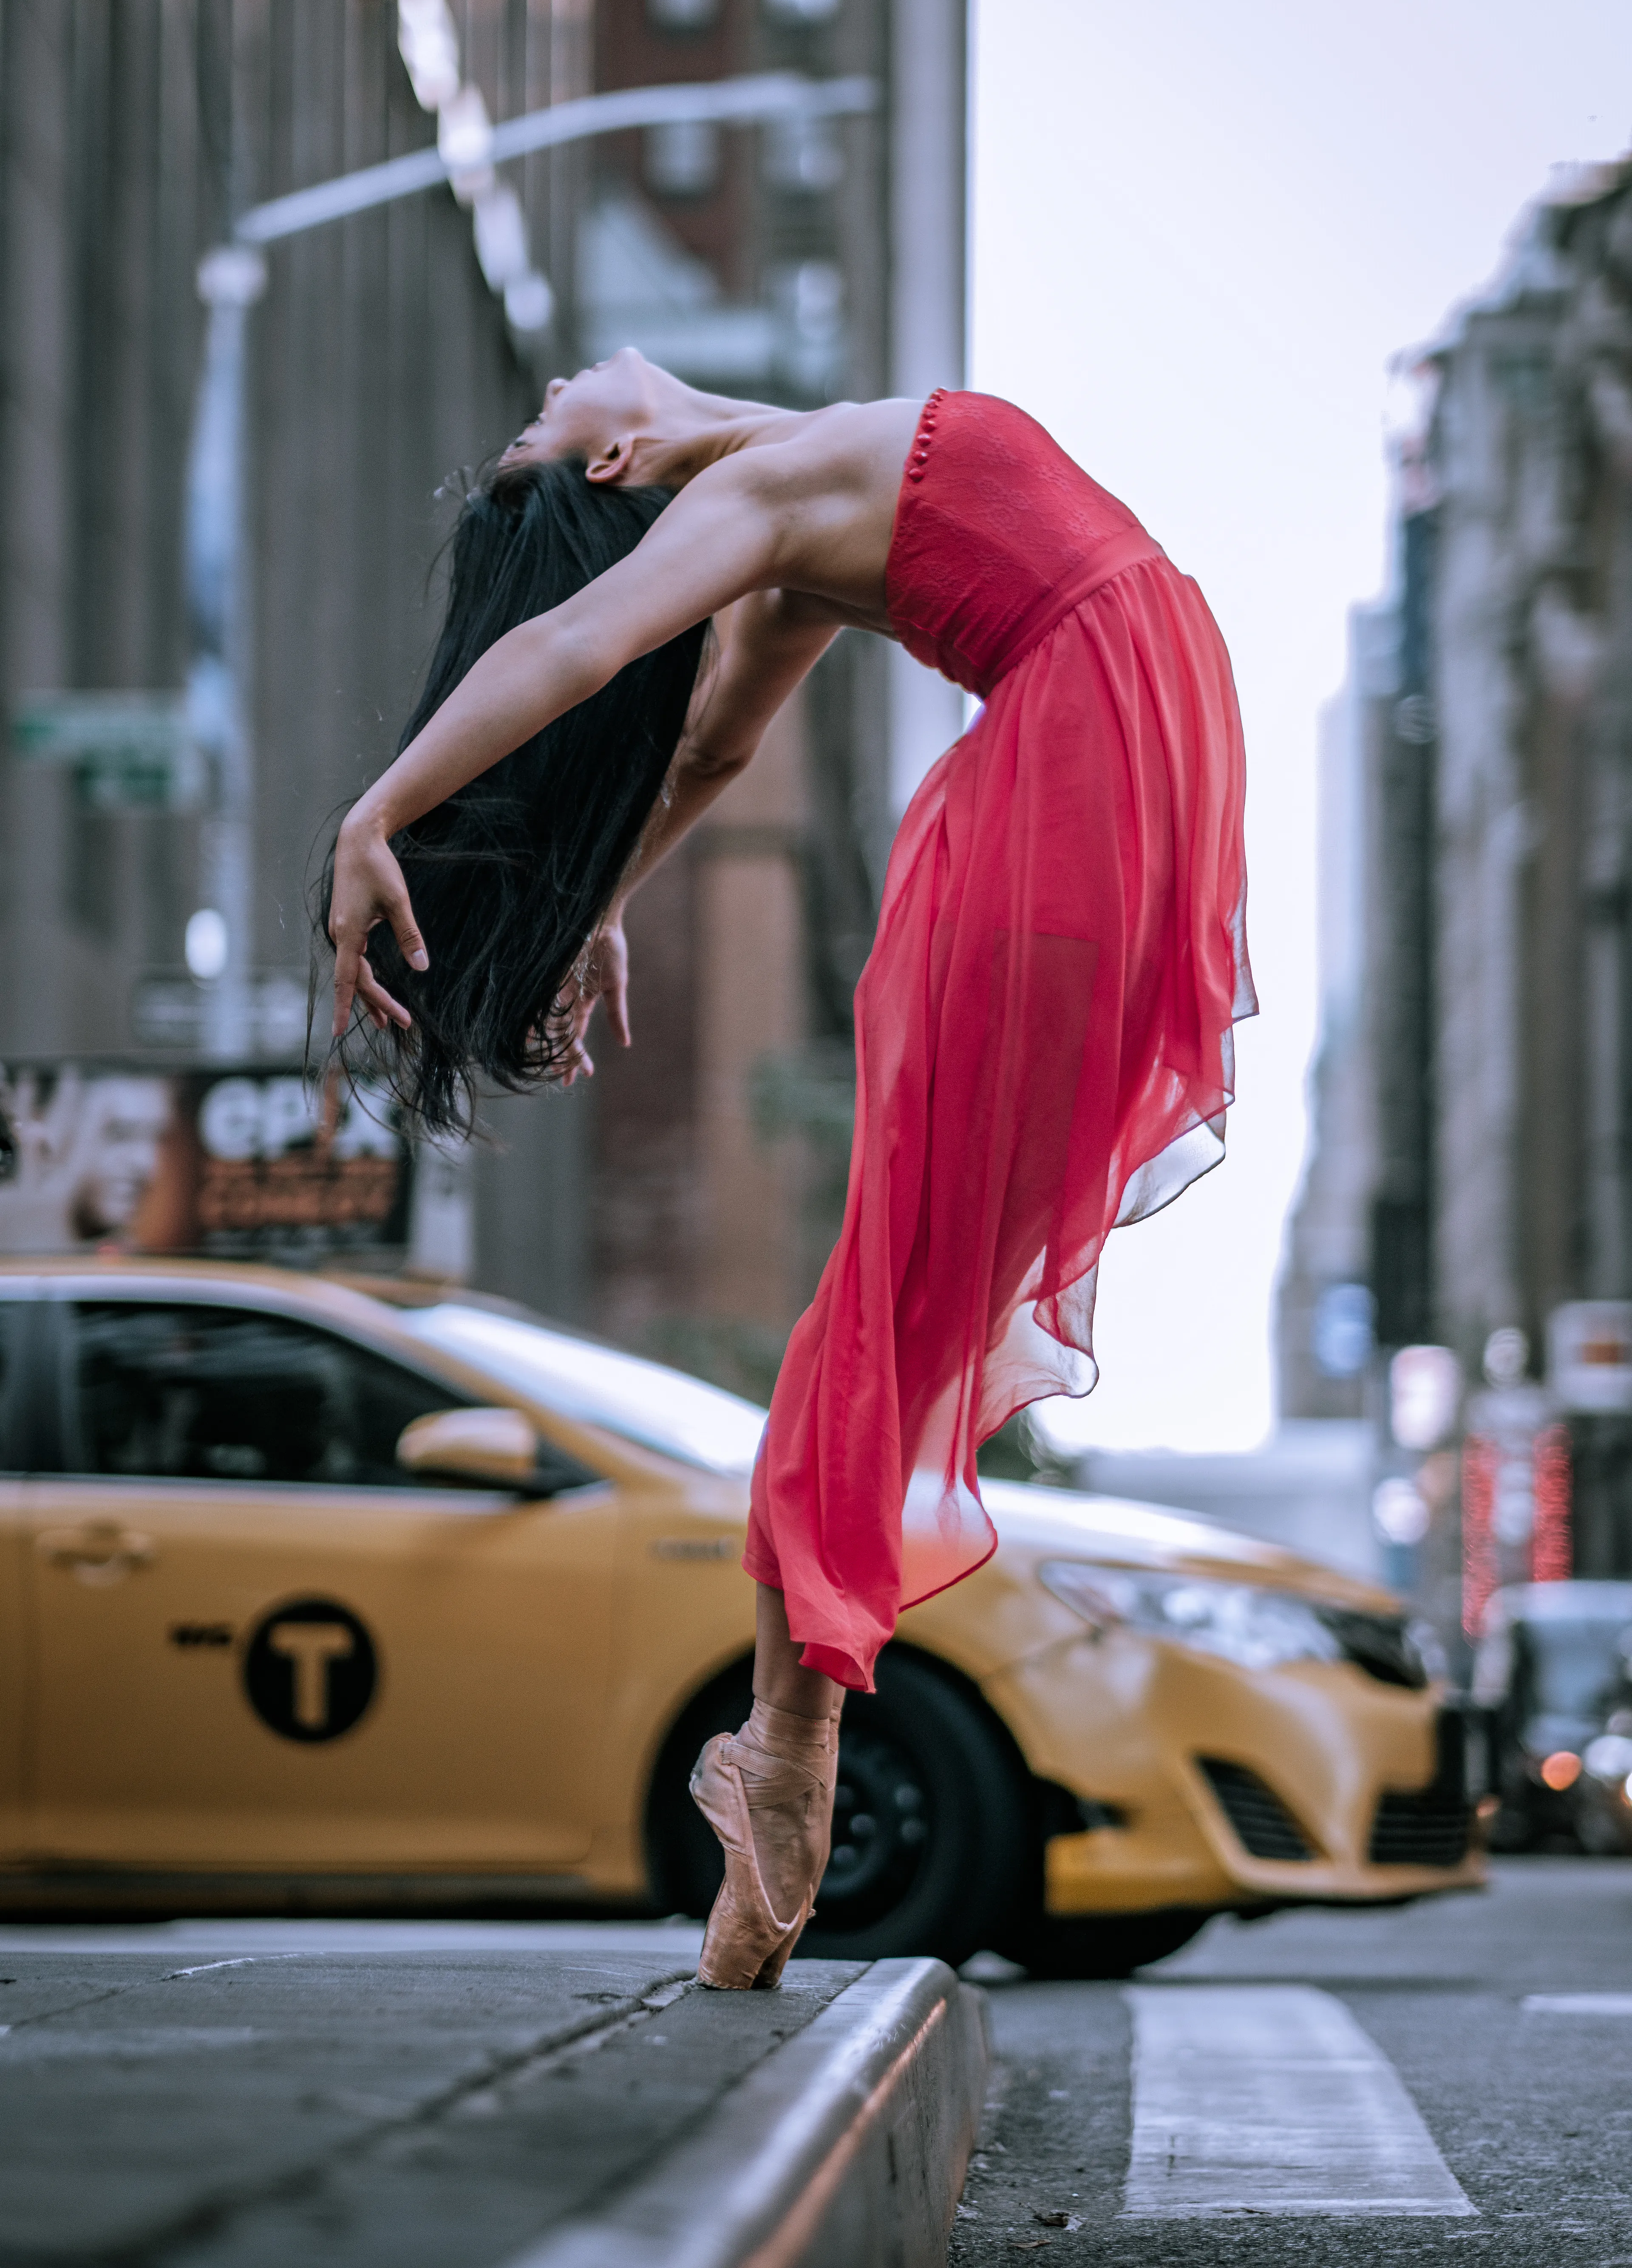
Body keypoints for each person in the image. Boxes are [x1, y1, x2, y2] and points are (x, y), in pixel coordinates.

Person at [322, 351, 1254, 1989]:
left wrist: (599, 897)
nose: (546, 384)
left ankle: (789, 1750)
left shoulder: (804, 482)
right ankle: (790, 1752)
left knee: (908, 1282)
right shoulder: (773, 495)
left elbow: (703, 763)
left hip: (1105, 738)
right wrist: (377, 814)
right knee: (900, 1284)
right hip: (1105, 744)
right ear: (616, 462)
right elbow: (588, 654)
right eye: (542, 419)